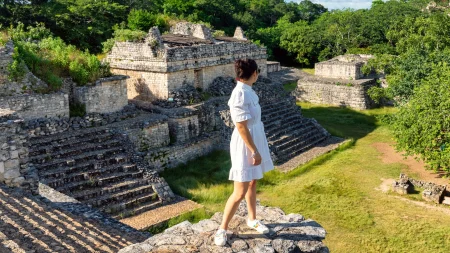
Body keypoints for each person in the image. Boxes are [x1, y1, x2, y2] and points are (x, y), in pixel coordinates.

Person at [214, 59, 274, 246]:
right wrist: (254, 150)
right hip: (245, 143)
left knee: (253, 180)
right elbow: (240, 126)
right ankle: (222, 229)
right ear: (254, 73)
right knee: (239, 190)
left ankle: (252, 218)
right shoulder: (239, 94)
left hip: (255, 137)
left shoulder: (248, 90)